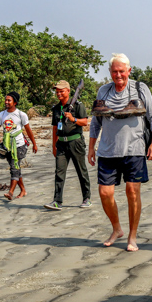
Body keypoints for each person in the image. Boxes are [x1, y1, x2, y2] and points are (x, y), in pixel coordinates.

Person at [88, 53, 152, 252]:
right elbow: (96, 121)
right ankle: (116, 228)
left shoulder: (140, 88)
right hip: (107, 150)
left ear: (129, 71)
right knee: (105, 193)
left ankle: (132, 236)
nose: (118, 75)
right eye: (114, 71)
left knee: (132, 192)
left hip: (135, 149)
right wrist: (91, 148)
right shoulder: (103, 90)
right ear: (110, 72)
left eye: (122, 71)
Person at [45, 80, 92, 210]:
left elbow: (85, 122)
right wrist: (54, 145)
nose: (59, 93)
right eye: (57, 91)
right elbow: (55, 128)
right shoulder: (56, 108)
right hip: (61, 144)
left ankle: (86, 198)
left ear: (68, 91)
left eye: (61, 91)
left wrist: (73, 119)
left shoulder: (77, 106)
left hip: (75, 142)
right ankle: (57, 201)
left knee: (81, 171)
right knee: (59, 172)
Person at [0, 91, 38, 201]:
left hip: (19, 145)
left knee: (14, 167)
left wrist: (34, 144)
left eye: (9, 100)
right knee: (15, 168)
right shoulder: (2, 114)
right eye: (6, 100)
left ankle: (11, 192)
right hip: (7, 146)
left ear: (15, 102)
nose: (6, 102)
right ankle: (23, 190)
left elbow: (28, 130)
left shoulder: (21, 115)